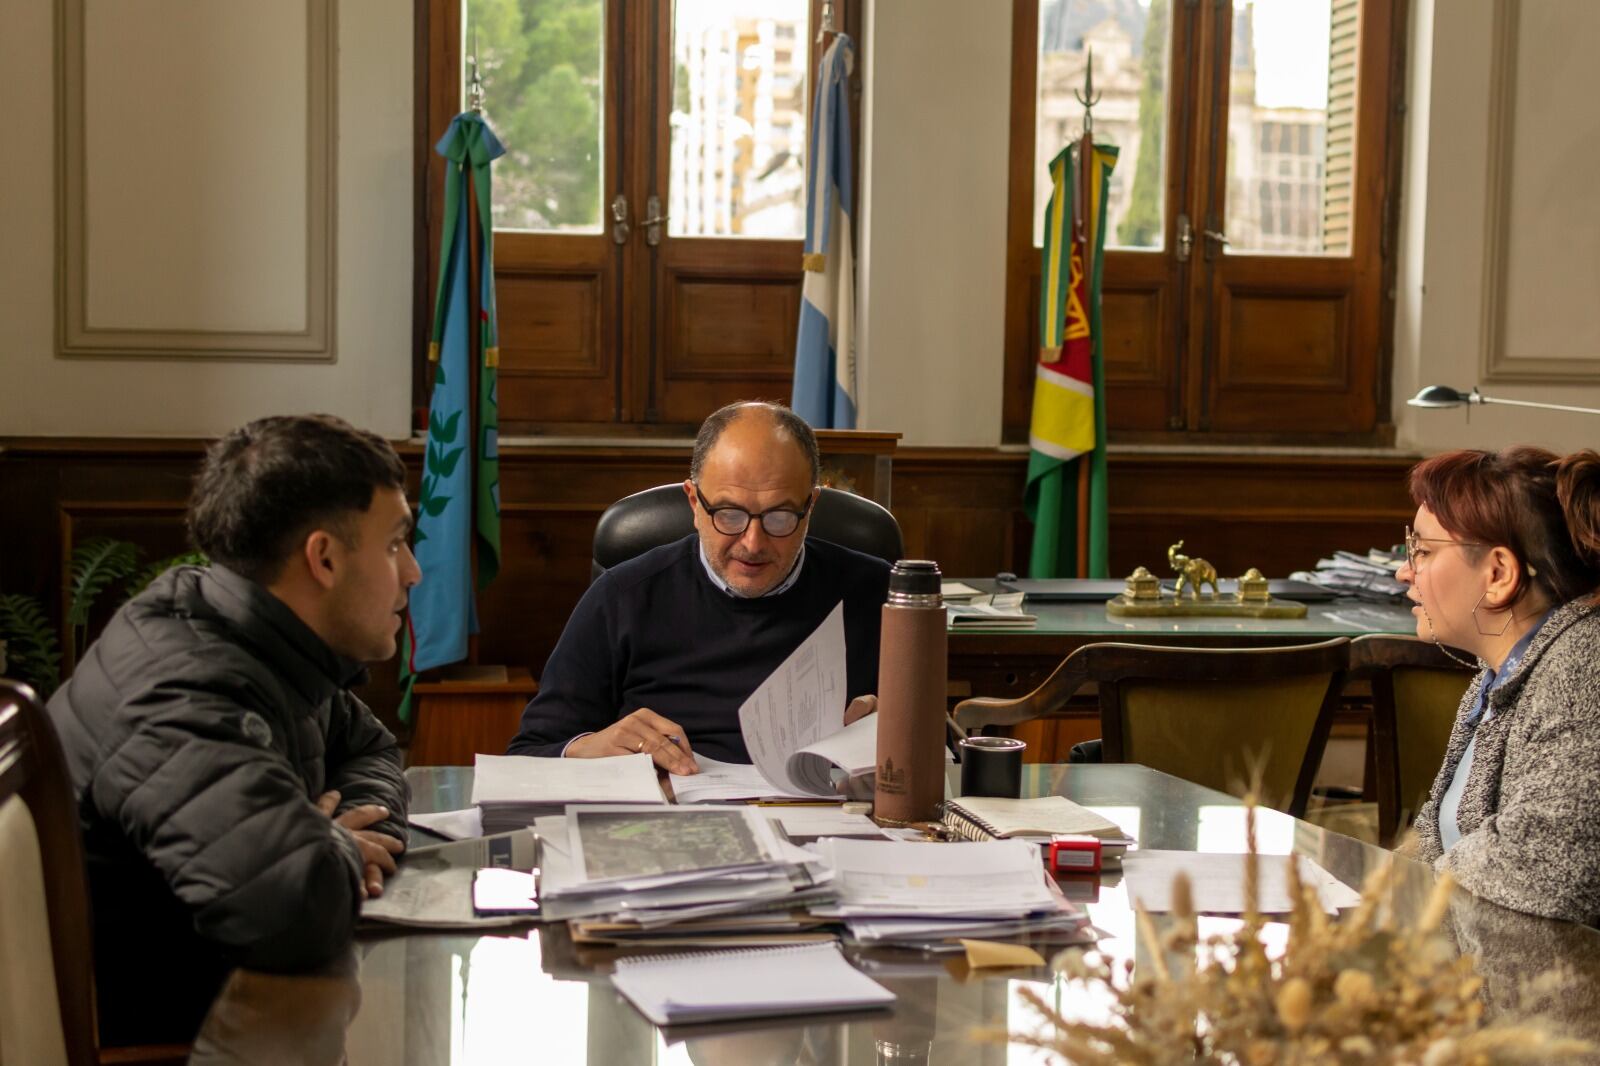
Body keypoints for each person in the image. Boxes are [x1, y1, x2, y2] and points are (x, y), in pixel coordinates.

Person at [47, 414, 420, 1044]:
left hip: (240, 1005)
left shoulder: (260, 632)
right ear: (323, 558)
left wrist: (334, 828)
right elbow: (289, 908)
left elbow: (370, 747)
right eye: (393, 545)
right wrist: (321, 842)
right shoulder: (184, 689)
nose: (410, 572)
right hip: (175, 1041)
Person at [507, 401, 891, 770]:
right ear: (693, 502)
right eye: (729, 514)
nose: (753, 543)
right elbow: (529, 754)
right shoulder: (623, 596)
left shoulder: (881, 595)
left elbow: (939, 754)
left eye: (779, 517)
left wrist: (897, 734)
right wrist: (588, 748)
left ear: (811, 508)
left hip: (829, 823)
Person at [1397, 445, 1600, 923]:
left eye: (1422, 551)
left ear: (1498, 574)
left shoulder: (1581, 665)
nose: (1404, 570)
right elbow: (1438, 831)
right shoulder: (1496, 677)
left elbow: (1551, 864)